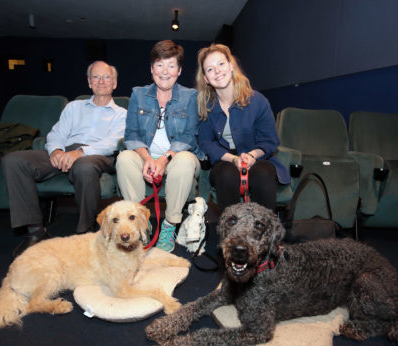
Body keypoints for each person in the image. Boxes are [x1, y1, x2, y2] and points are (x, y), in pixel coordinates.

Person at [2, 61, 126, 257]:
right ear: (89, 82)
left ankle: (85, 233)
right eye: (96, 77)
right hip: (65, 150)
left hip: (97, 155)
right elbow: (57, 133)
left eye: (107, 77)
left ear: (115, 83)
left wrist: (80, 152)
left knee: (84, 166)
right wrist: (56, 151)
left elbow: (112, 143)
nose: (101, 81)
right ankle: (36, 231)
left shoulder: (122, 115)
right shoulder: (73, 107)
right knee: (13, 160)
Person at [116, 40, 203, 253]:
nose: (165, 72)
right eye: (159, 65)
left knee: (184, 161)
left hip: (177, 156)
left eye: (171, 65)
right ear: (151, 68)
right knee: (124, 158)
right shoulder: (138, 94)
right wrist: (147, 159)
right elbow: (132, 134)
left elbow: (189, 136)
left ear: (180, 70)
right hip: (146, 154)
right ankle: (140, 223)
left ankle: (169, 225)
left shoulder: (190, 96)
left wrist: (164, 159)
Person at [196, 44, 290, 213]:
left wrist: (252, 155)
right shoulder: (206, 106)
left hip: (257, 158)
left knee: (263, 173)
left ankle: (264, 233)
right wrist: (233, 159)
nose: (217, 71)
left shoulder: (258, 101)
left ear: (231, 66)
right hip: (224, 161)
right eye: (210, 69)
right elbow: (205, 142)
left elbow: (269, 141)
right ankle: (232, 234)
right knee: (225, 174)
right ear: (206, 79)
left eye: (221, 64)